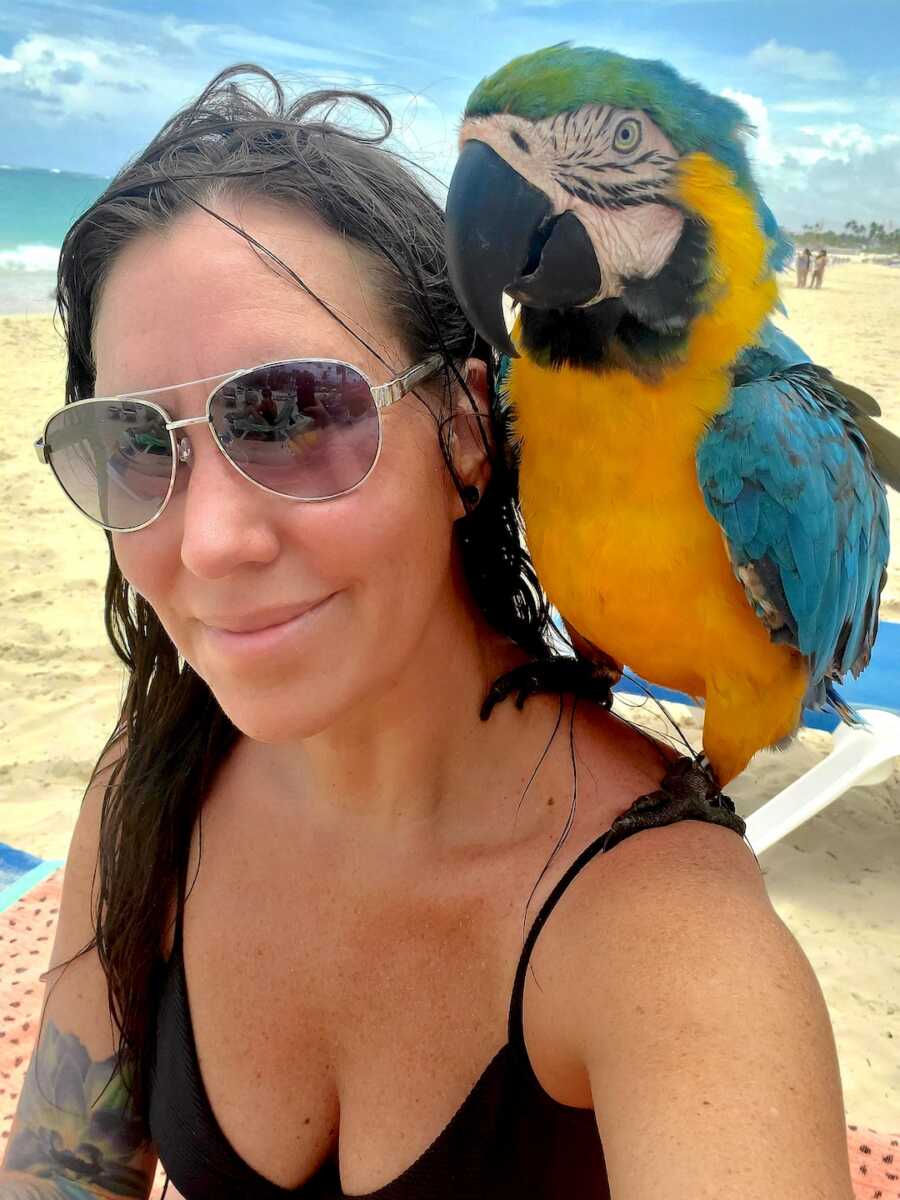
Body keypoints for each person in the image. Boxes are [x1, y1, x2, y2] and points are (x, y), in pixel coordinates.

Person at [1, 65, 855, 1200]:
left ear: (462, 431)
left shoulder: (672, 944)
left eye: (295, 411)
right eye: (134, 440)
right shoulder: (144, 788)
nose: (208, 543)